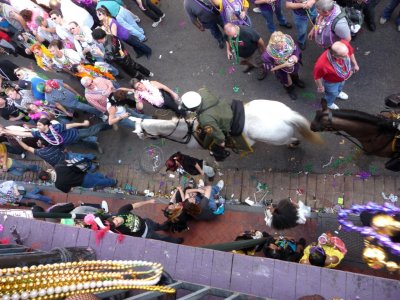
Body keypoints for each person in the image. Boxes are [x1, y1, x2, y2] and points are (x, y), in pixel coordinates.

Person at [180, 88, 233, 160]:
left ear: (193, 109)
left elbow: (220, 138)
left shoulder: (205, 120)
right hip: (223, 107)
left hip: (225, 121)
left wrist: (220, 143)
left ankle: (218, 154)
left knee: (205, 144)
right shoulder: (202, 91)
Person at [0, 118, 105, 152]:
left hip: (64, 134)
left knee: (84, 133)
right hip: (52, 142)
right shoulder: (13, 142)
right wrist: (42, 145)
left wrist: (82, 123)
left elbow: (23, 127)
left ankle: (101, 129)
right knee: (78, 143)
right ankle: (95, 145)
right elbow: (27, 144)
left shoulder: (11, 127)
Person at [105, 200, 184, 244]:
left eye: (117, 220)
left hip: (146, 222)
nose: (119, 222)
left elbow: (135, 205)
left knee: (158, 226)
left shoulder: (122, 210)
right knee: (162, 238)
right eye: (117, 224)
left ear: (114, 217)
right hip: (146, 234)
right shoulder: (118, 230)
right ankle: (176, 241)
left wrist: (148, 201)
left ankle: (165, 227)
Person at [313, 40, 359, 110]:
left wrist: (355, 64)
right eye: (344, 56)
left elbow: (351, 53)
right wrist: (320, 87)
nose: (347, 56)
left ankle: (338, 93)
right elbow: (317, 77)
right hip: (331, 82)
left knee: (340, 87)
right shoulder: (321, 64)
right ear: (335, 56)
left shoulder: (344, 45)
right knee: (332, 94)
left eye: (346, 53)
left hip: (342, 77)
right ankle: (329, 103)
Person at [262, 31, 304, 100]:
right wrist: (284, 65)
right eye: (279, 47)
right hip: (281, 69)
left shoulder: (288, 41)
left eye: (283, 44)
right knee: (287, 81)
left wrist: (295, 56)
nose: (283, 47)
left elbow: (295, 49)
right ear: (273, 45)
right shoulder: (267, 55)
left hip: (292, 64)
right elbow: (270, 69)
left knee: (295, 74)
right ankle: (290, 89)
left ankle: (296, 80)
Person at [39, 164, 116, 193]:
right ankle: (105, 178)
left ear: (46, 179)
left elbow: (68, 190)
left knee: (98, 182)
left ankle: (113, 181)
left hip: (83, 182)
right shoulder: (58, 168)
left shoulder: (58, 185)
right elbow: (72, 167)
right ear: (47, 171)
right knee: (95, 176)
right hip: (83, 174)